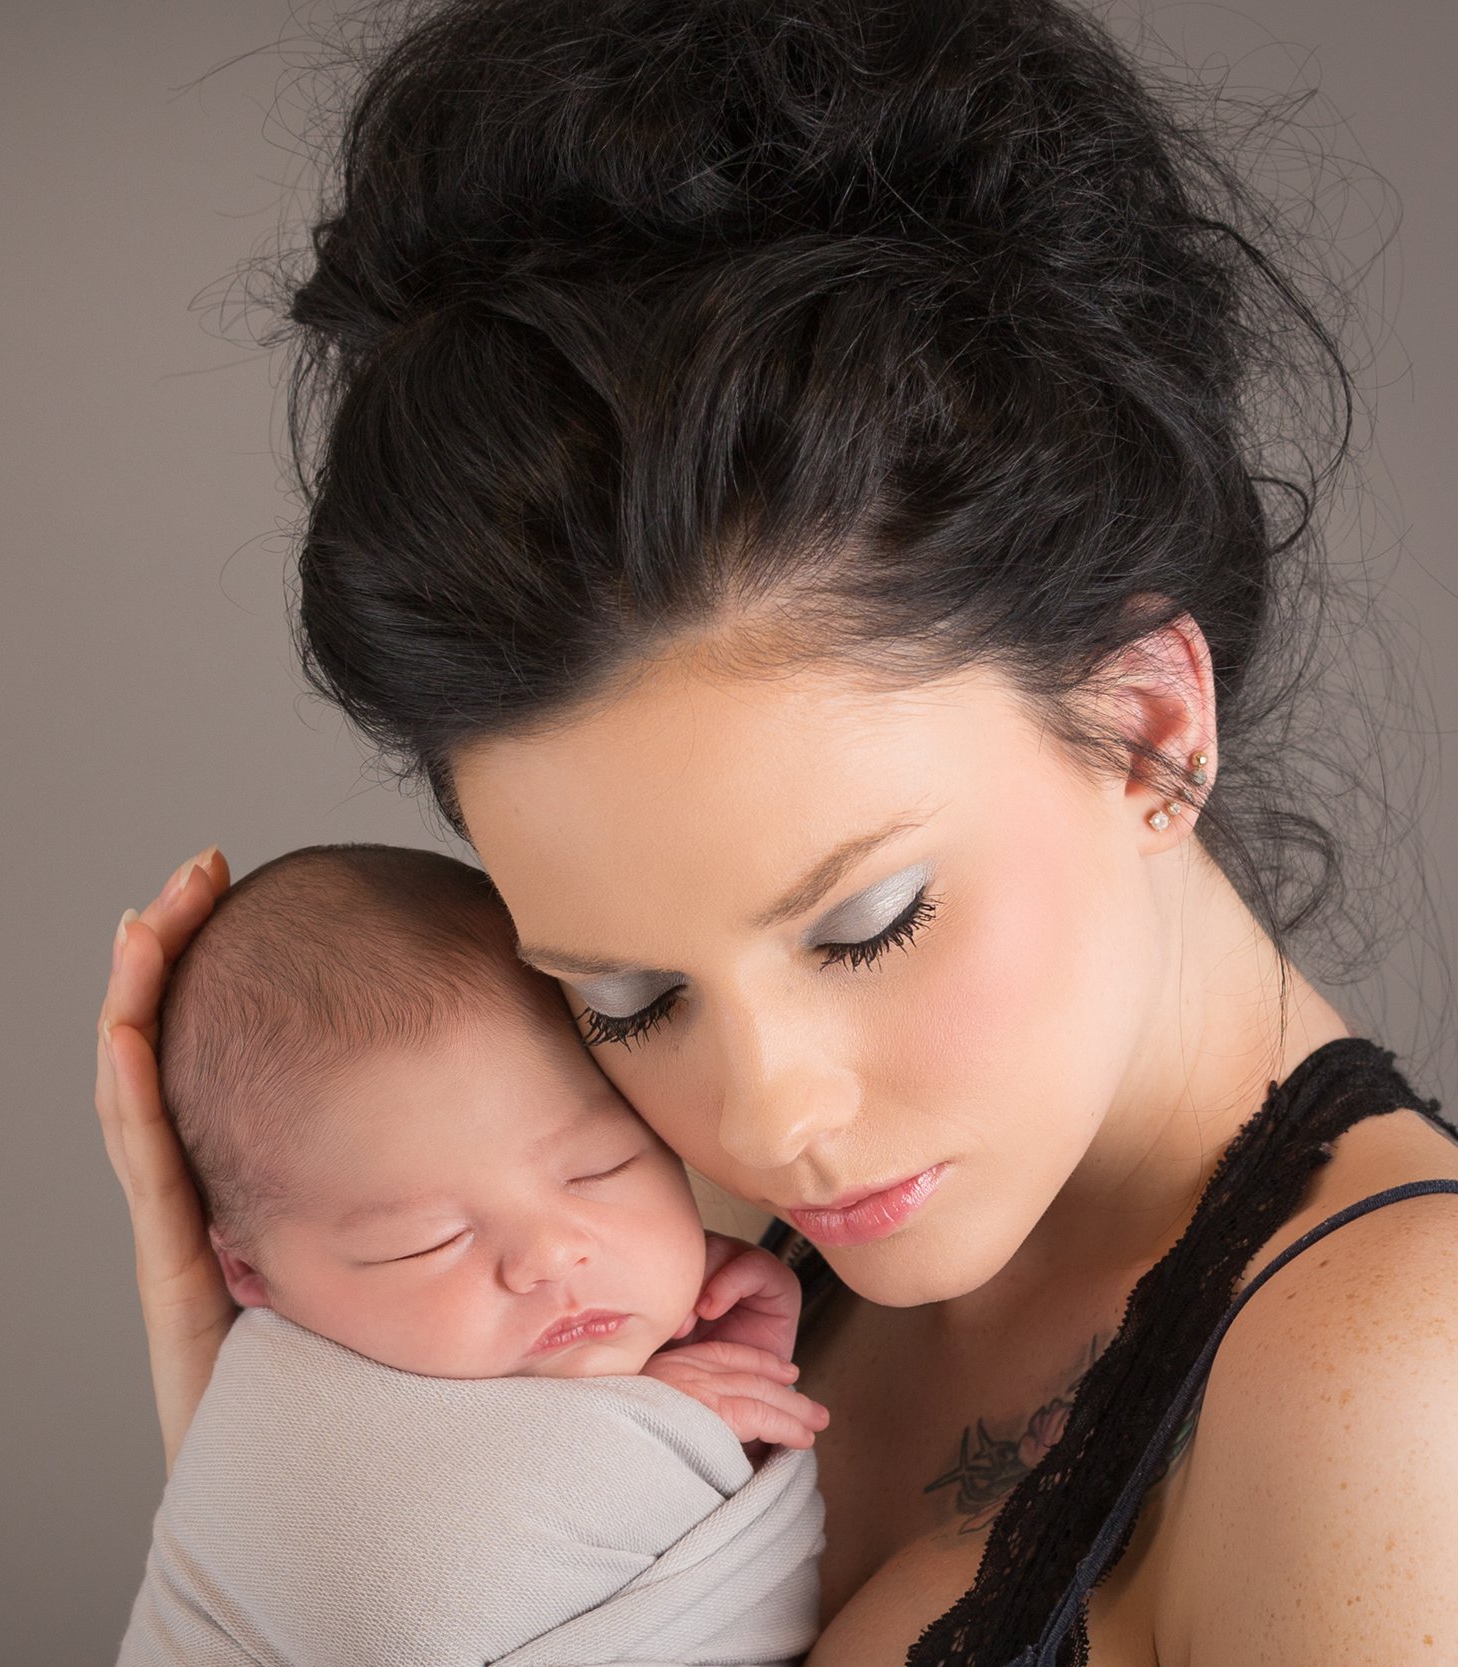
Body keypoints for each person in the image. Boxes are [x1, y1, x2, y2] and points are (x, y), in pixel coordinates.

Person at [91, 2, 1458, 1663]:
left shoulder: (1398, 1371)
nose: (770, 1119)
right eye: (629, 1002)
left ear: (1150, 731)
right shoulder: (664, 1302)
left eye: (866, 919)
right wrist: (272, 1453)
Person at [118, 843, 828, 1667]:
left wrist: (665, 1432)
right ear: (247, 1273)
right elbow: (409, 1600)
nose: (552, 1253)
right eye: (431, 1240)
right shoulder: (279, 1425)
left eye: (600, 1169)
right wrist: (649, 1441)